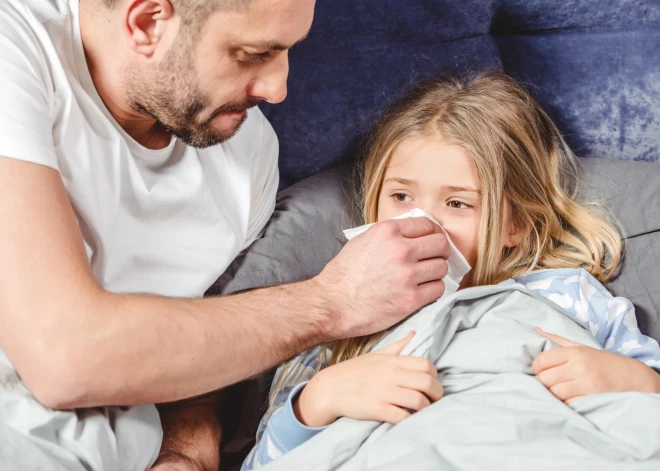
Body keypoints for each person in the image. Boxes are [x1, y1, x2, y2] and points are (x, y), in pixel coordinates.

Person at [0, 0, 452, 469]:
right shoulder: (16, 51)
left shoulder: (246, 147)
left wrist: (185, 450)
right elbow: (66, 358)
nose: (278, 89)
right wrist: (332, 301)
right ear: (147, 23)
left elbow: (211, 343)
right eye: (255, 54)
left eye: (290, 49)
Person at [242, 71, 660, 470]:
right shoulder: (340, 323)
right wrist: (319, 398)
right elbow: (264, 460)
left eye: (457, 203)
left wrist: (634, 379)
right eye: (401, 195)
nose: (422, 221)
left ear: (516, 225)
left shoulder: (568, 294)